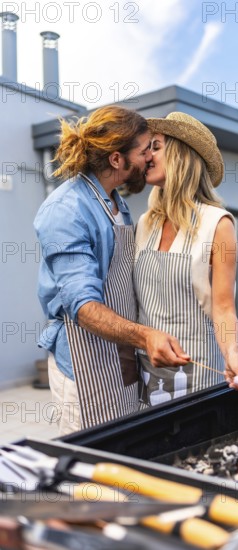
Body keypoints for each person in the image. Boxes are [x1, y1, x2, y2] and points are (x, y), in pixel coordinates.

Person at [34, 106, 189, 435]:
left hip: (122, 359)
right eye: (145, 150)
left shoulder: (119, 205)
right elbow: (85, 308)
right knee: (93, 476)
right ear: (117, 160)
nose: (150, 157)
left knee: (126, 456)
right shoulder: (66, 210)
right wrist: (146, 336)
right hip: (84, 360)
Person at [134, 112, 238, 407]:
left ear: (181, 154)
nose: (146, 156)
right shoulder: (144, 224)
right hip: (148, 376)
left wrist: (232, 354)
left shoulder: (218, 224)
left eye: (155, 146)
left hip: (199, 375)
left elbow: (224, 307)